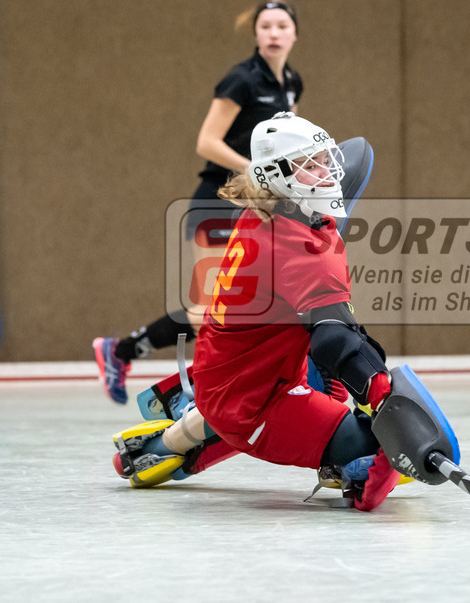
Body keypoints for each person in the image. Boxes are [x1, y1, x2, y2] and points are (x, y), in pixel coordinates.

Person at [111, 113, 450, 511]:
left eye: (325, 158)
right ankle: (322, 461)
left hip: (225, 370)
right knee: (385, 449)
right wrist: (382, 398)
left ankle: (177, 436)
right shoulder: (306, 253)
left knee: (334, 384)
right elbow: (336, 339)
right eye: (312, 165)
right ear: (280, 175)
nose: (328, 171)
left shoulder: (261, 209)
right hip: (253, 403)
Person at [94, 0, 304, 405]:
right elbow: (206, 141)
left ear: (295, 32)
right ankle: (170, 379)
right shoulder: (240, 81)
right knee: (211, 310)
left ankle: (123, 350)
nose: (274, 33)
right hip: (217, 203)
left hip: (254, 206)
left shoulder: (291, 82)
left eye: (282, 26)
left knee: (256, 302)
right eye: (266, 26)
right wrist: (255, 172)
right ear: (255, 33)